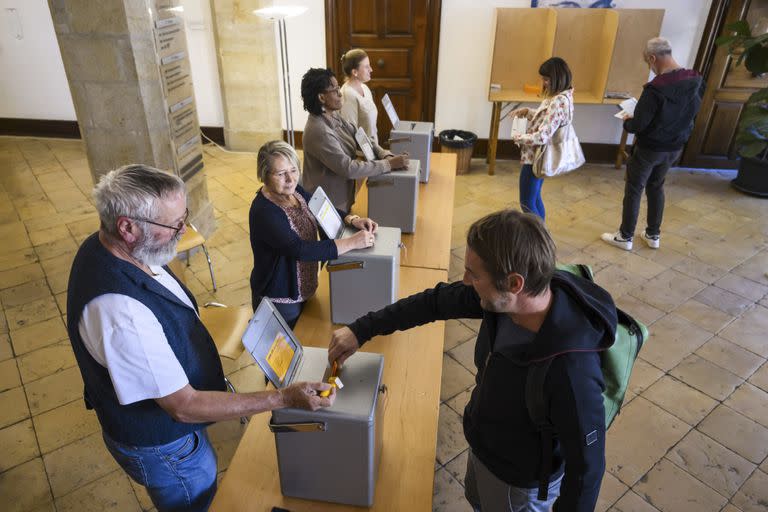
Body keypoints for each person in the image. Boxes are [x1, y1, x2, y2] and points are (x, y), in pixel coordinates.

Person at [66, 164, 336, 512]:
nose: (184, 230)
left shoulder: (120, 246)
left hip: (173, 424)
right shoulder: (120, 313)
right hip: (167, 448)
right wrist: (283, 398)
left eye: (184, 217)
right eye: (173, 224)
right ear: (127, 227)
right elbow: (184, 406)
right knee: (200, 500)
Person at [329, 209, 617, 512]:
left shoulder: (571, 370)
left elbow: (587, 470)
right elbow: (434, 302)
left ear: (514, 283)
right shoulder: (503, 300)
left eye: (474, 274)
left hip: (517, 484)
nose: (465, 281)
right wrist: (361, 330)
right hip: (484, 444)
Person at [250, 140, 378, 328]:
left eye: (293, 170)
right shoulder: (265, 211)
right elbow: (300, 250)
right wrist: (352, 242)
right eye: (281, 173)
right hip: (281, 299)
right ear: (264, 175)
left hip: (306, 288)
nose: (290, 179)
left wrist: (352, 219)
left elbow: (322, 208)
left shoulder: (295, 192)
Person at [601, 37, 704, 251]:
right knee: (656, 186)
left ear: (652, 58)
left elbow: (638, 125)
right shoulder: (694, 79)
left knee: (634, 188)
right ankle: (653, 234)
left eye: (649, 63)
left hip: (650, 148)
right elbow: (691, 113)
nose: (651, 68)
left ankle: (625, 236)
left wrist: (628, 121)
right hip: (675, 148)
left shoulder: (655, 89)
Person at [301, 67, 409, 212]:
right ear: (321, 97)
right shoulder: (319, 131)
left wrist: (384, 154)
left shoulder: (333, 115)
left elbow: (360, 137)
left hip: (342, 196)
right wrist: (388, 165)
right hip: (329, 206)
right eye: (335, 90)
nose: (340, 94)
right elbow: (348, 168)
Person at [510, 57, 575, 221]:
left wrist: (520, 137)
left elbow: (543, 135)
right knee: (535, 198)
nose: (544, 83)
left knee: (526, 202)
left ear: (557, 78)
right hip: (541, 156)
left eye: (546, 79)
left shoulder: (557, 101)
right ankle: (542, 232)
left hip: (536, 157)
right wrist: (528, 112)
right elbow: (549, 120)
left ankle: (538, 238)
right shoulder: (565, 97)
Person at [340, 49, 380, 144]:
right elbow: (350, 134)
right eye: (366, 67)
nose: (371, 69)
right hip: (361, 154)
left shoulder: (364, 87)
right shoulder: (348, 95)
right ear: (355, 72)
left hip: (373, 148)